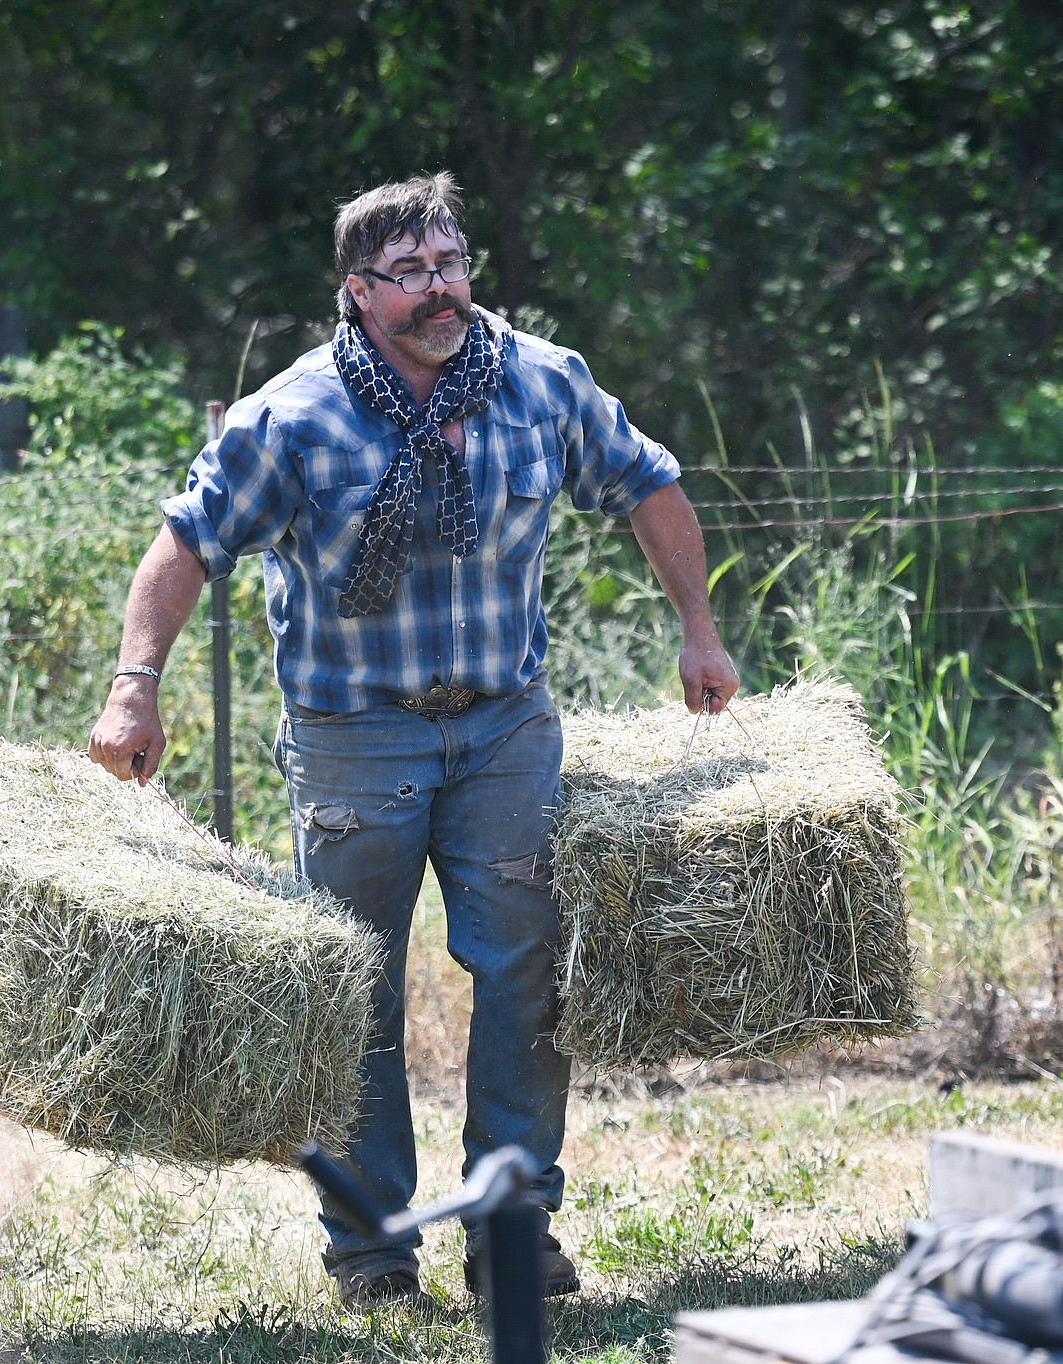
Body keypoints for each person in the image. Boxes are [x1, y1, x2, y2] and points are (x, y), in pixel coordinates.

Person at [89, 171, 739, 1310]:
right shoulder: (292, 416)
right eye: (411, 275)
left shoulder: (540, 381)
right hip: (354, 742)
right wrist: (134, 685)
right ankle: (375, 1249)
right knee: (355, 994)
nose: (441, 291)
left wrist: (698, 626)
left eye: (451, 265)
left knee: (528, 970)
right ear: (356, 292)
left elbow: (649, 482)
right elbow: (187, 540)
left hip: (505, 732)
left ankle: (512, 1226)